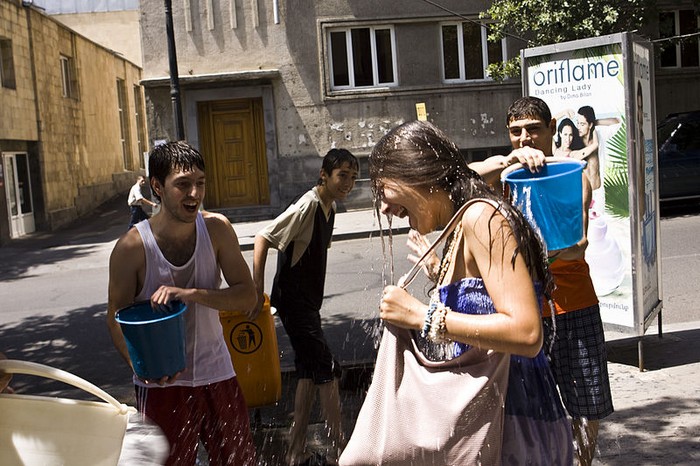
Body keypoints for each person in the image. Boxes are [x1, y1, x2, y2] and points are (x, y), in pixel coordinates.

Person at [344, 120, 572, 464]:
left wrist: (421, 315)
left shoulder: (482, 217)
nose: (385, 208)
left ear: (416, 174)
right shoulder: (463, 223)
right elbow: (481, 303)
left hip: (512, 421)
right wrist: (438, 274)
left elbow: (526, 332)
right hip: (490, 413)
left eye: (383, 189)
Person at [107, 141, 258, 466]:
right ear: (157, 187)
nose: (194, 194)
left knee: (239, 460)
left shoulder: (217, 230)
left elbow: (248, 296)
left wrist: (191, 295)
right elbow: (115, 318)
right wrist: (138, 366)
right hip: (163, 386)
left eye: (200, 183)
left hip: (217, 372)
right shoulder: (132, 247)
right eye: (183, 185)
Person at [505, 96, 614, 466]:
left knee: (586, 402)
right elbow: (462, 177)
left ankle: (581, 464)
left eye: (533, 129)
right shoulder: (505, 180)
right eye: (516, 132)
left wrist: (527, 257)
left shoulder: (572, 175)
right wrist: (507, 163)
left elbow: (575, 246)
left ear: (551, 128)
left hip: (575, 305)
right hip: (524, 314)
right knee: (530, 410)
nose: (524, 138)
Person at [253, 148, 359, 466]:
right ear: (324, 176)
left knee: (309, 372)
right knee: (325, 368)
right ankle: (343, 449)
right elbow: (263, 237)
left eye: (353, 177)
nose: (348, 183)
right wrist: (257, 292)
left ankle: (295, 451)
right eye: (342, 176)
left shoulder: (330, 208)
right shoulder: (308, 205)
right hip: (294, 302)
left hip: (307, 303)